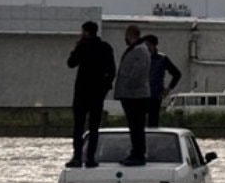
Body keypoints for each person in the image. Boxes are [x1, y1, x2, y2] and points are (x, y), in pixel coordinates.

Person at [66, 21, 116, 168]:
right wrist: (105, 88)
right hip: (97, 93)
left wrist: (76, 46)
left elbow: (71, 63)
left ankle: (77, 157)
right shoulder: (105, 47)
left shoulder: (83, 46)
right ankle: (90, 158)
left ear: (86, 32)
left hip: (82, 92)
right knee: (94, 127)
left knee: (78, 127)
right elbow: (112, 70)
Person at [113, 24, 151, 166]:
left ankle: (138, 154)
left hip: (135, 95)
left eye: (126, 35)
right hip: (133, 94)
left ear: (130, 35)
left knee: (136, 126)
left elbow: (139, 72)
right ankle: (136, 152)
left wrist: (128, 85)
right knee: (134, 126)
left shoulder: (139, 50)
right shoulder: (138, 49)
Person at [143, 34, 182, 127]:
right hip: (141, 94)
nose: (147, 48)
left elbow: (177, 74)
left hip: (155, 94)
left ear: (153, 45)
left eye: (148, 45)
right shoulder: (141, 58)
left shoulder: (162, 59)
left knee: (153, 121)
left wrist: (167, 90)